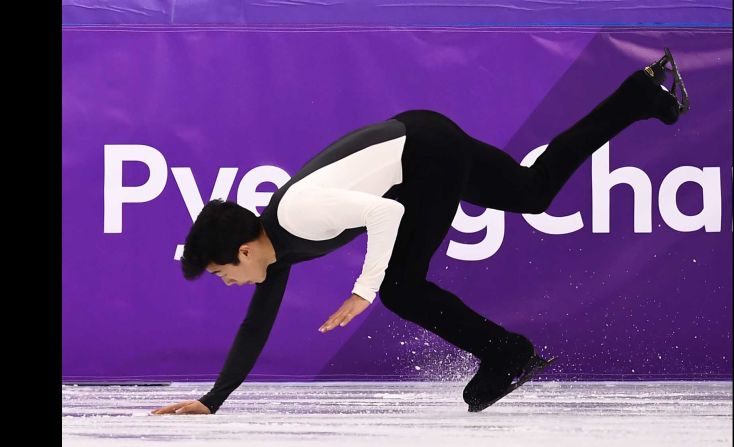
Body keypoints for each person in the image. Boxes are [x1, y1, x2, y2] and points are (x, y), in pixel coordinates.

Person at [152, 48, 689, 415]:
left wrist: (364, 291)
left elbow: (386, 216)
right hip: (420, 144)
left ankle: (508, 353)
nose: (232, 284)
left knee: (398, 286)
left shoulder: (297, 214)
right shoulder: (275, 246)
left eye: (225, 274)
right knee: (533, 192)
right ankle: (640, 97)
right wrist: (214, 398)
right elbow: (255, 327)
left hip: (424, 156)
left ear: (243, 250)